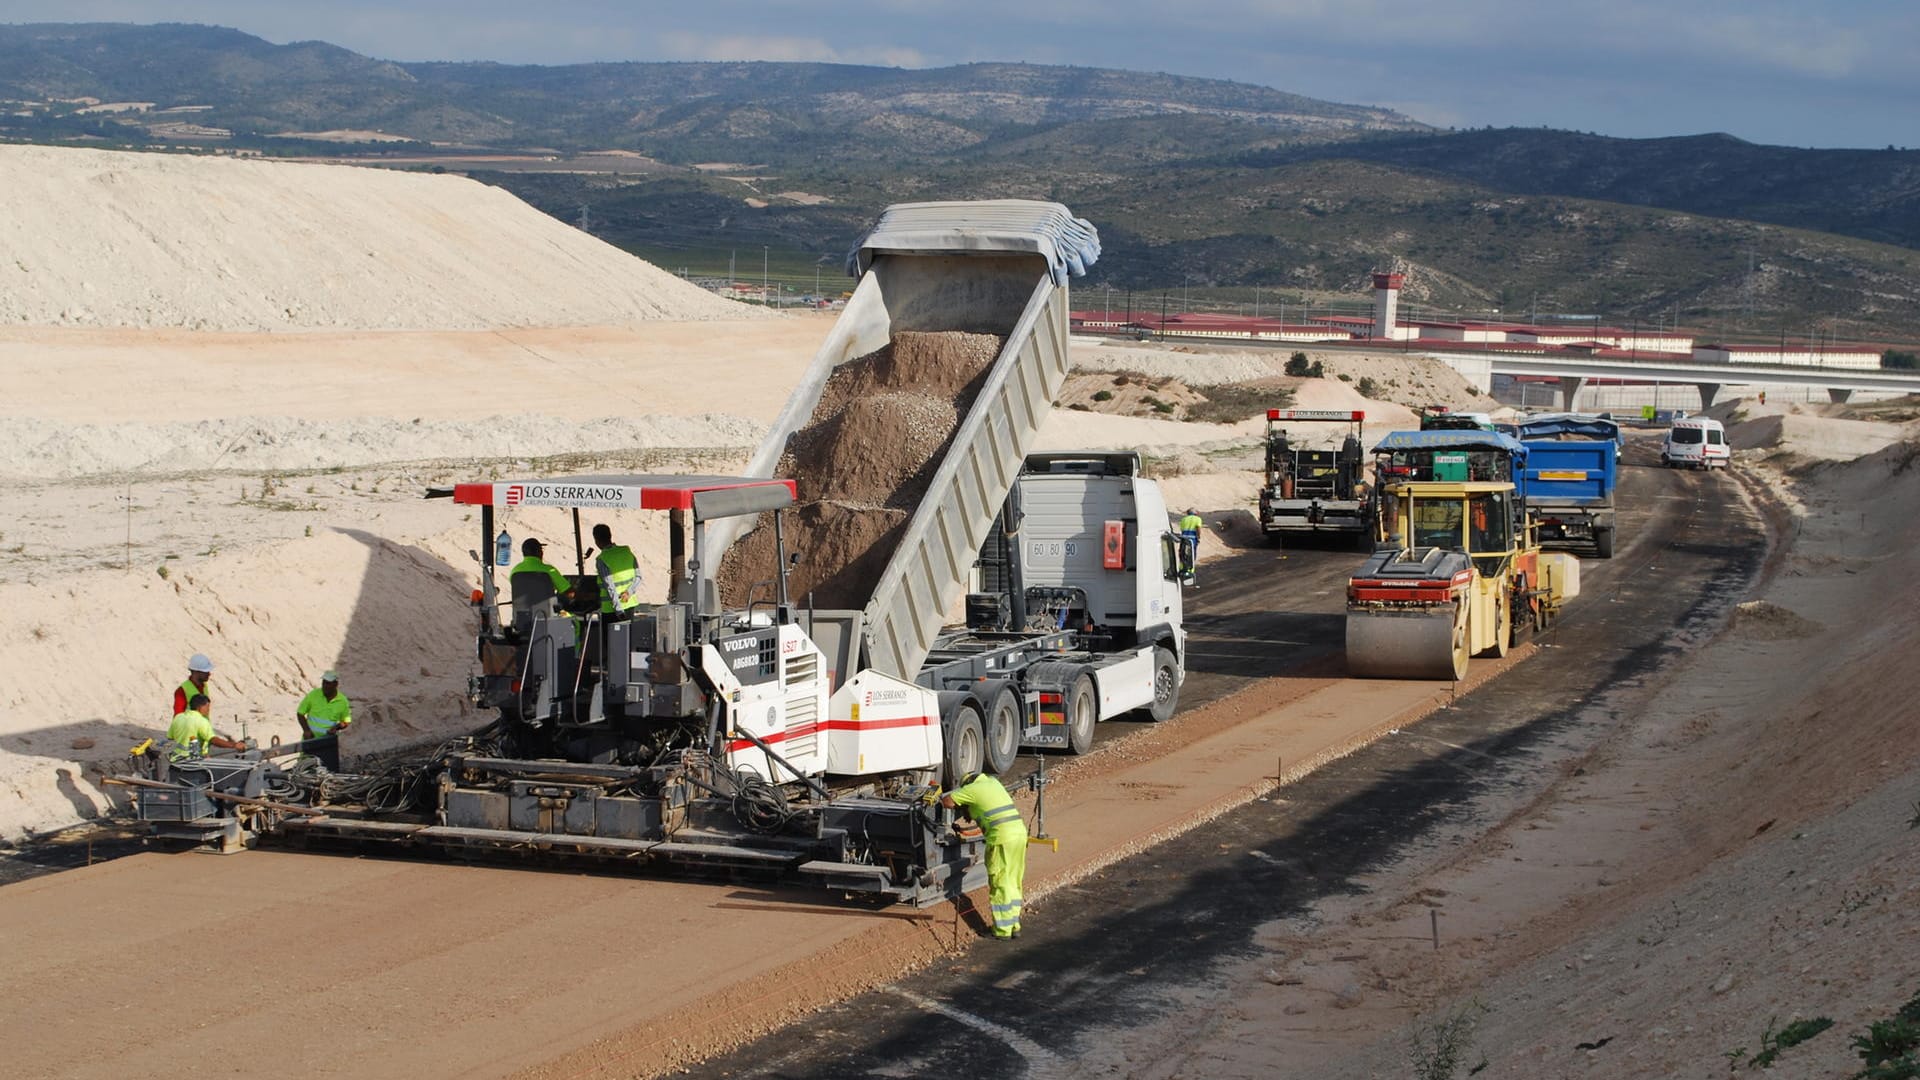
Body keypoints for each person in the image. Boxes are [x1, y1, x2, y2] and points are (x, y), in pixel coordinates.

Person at [940, 771, 1028, 939]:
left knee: (1000, 882)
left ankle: (1002, 930)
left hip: (1002, 839)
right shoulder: (993, 783)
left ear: (968, 784)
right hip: (1019, 835)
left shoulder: (972, 789)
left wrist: (962, 805)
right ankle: (1013, 925)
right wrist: (969, 809)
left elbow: (948, 801)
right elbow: (985, 805)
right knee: (1013, 880)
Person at [295, 670, 353, 771]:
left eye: (328, 683)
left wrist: (337, 727)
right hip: (310, 740)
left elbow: (346, 721)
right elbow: (300, 713)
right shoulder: (314, 695)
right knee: (304, 768)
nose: (325, 686)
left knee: (327, 769)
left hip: (327, 743)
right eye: (324, 682)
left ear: (336, 684)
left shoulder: (342, 701)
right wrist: (306, 730)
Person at [166, 693, 246, 761]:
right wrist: (234, 745)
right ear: (200, 707)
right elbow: (213, 740)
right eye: (207, 707)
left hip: (176, 760)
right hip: (193, 762)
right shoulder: (202, 721)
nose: (208, 710)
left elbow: (170, 738)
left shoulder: (178, 717)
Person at [592, 523, 642, 617]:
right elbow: (638, 577)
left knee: (611, 632)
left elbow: (609, 586)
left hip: (612, 610)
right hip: (630, 604)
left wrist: (618, 610)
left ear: (596, 540)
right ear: (610, 536)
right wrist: (629, 592)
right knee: (629, 631)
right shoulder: (626, 551)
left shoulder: (602, 559)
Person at [1177, 508, 1203, 581]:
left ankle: (1182, 569)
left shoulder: (1183, 519)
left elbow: (1182, 530)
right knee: (1192, 554)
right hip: (1192, 539)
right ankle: (1190, 571)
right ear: (1196, 513)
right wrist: (1198, 537)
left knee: (1182, 553)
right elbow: (1198, 528)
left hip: (1184, 538)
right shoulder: (1198, 519)